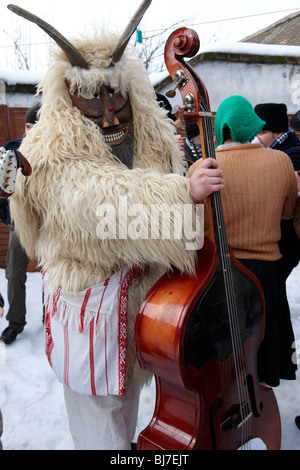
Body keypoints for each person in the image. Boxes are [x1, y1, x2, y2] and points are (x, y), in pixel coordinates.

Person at [7, 3, 223, 450]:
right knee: (100, 433)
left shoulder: (150, 131)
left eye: (115, 97)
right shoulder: (50, 144)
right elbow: (93, 207)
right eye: (93, 98)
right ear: (69, 95)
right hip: (91, 320)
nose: (108, 114)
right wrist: (181, 194)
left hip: (145, 318)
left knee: (124, 419)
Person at [190, 95, 297, 387]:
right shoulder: (282, 161)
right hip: (268, 278)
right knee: (262, 362)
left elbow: (194, 229)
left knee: (226, 366)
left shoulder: (203, 168)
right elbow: (287, 214)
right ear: (252, 124)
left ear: (221, 127)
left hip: (222, 277)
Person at [0, 103, 40, 345]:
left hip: (49, 224)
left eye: (37, 125)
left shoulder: (56, 151)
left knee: (54, 276)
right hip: (20, 224)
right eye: (28, 125)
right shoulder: (10, 149)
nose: (31, 130)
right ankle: (15, 322)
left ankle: (52, 319)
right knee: (14, 274)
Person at [254, 103, 300, 280]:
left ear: (278, 132)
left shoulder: (292, 155)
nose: (257, 138)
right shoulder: (274, 150)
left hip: (285, 243)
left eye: (263, 132)